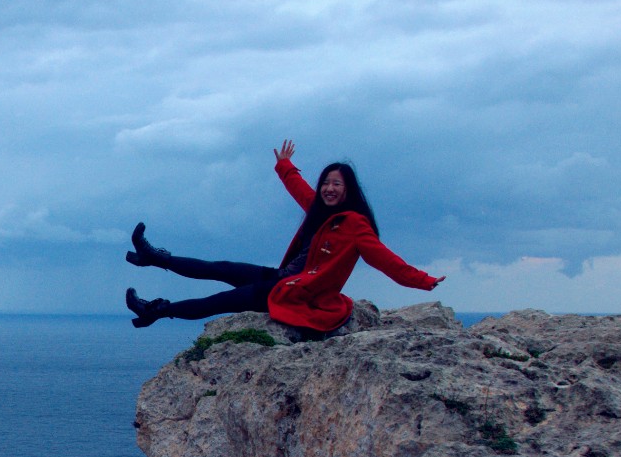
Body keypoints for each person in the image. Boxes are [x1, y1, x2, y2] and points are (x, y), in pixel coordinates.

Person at [124, 141, 443, 331]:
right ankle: (152, 257)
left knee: (217, 302)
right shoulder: (319, 209)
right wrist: (285, 166)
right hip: (280, 277)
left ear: (349, 190)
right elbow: (299, 189)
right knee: (218, 267)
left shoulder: (355, 226)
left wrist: (423, 280)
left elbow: (387, 261)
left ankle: (155, 311)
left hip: (292, 293)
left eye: (337, 184)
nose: (329, 189)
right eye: (326, 183)